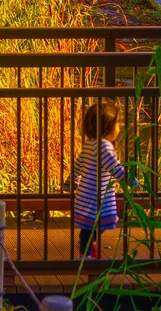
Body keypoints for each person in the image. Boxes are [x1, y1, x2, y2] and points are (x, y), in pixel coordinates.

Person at [65, 99, 137, 259]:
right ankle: (85, 254)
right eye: (117, 124)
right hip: (96, 198)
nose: (119, 128)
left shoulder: (90, 144)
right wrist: (130, 179)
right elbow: (114, 167)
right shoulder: (103, 146)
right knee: (98, 224)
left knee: (89, 227)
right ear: (107, 127)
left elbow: (78, 164)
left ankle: (88, 247)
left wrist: (69, 182)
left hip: (86, 194)